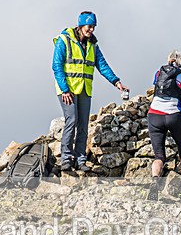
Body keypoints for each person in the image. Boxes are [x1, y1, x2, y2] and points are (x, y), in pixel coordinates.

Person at [52, 11, 129, 172]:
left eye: (93, 27)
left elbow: (102, 65)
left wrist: (117, 82)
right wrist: (65, 89)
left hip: (84, 90)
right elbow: (56, 66)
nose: (91, 30)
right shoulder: (64, 40)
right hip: (68, 90)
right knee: (71, 120)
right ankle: (66, 159)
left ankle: (80, 160)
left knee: (83, 125)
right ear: (81, 25)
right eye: (89, 26)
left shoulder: (93, 45)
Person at [146, 50, 181, 202]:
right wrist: (180, 111)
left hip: (154, 115)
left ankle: (155, 182)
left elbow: (156, 91)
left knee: (159, 155)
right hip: (174, 115)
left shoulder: (158, 73)